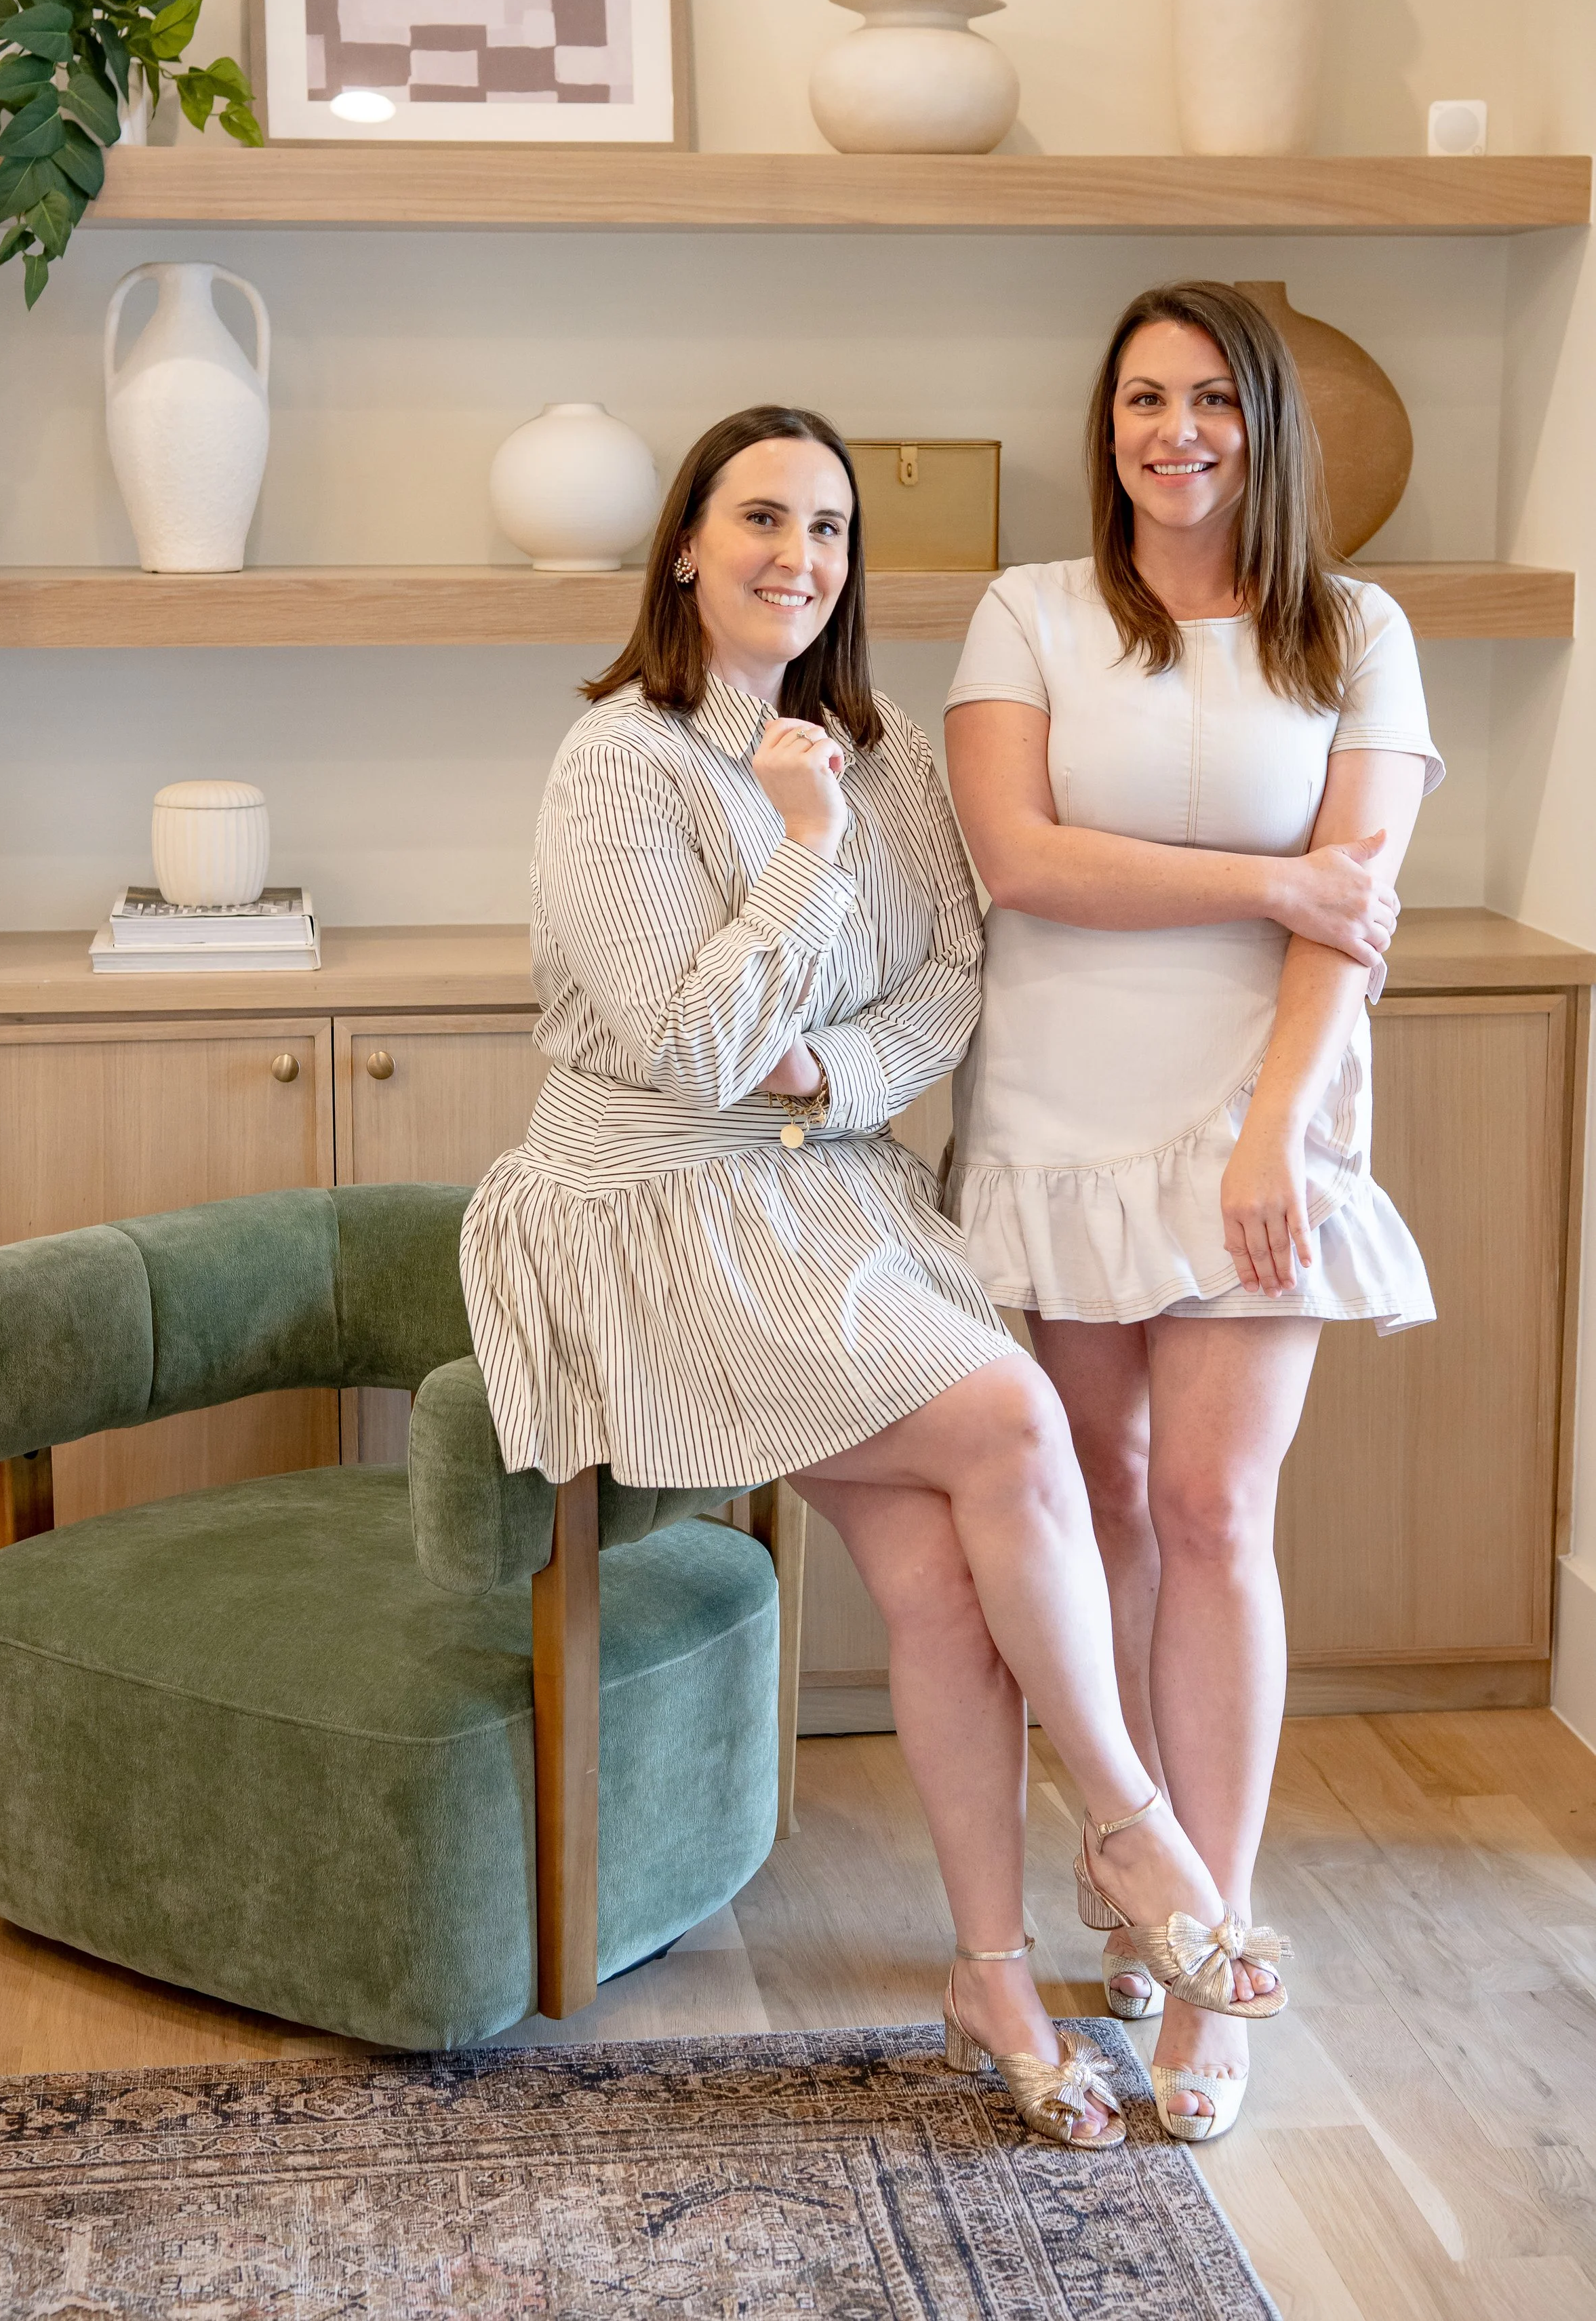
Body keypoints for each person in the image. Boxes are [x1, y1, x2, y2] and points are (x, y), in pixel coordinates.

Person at [461, 401, 1287, 2149]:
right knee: (1017, 1429)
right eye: (762, 518)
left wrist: (824, 1072)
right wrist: (799, 852)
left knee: (941, 1586)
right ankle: (1135, 1830)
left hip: (838, 1197)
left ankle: (993, 1971)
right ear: (688, 544)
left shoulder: (888, 745)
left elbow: (945, 990)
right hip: (649, 1213)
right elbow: (683, 1049)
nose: (799, 556)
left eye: (829, 528)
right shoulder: (620, 757)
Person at [943, 283, 1441, 2141]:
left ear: (1265, 426)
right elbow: (1018, 860)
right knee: (1100, 1506)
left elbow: (1351, 918)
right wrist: (1268, 879)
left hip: (1259, 1116)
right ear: (1109, 424)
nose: (1177, 432)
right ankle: (1136, 1881)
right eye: (1144, 398)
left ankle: (1218, 1937)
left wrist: (1272, 1138)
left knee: (1221, 1510)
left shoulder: (1357, 630)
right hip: (1057, 1110)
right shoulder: (1030, 611)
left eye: (1213, 398)